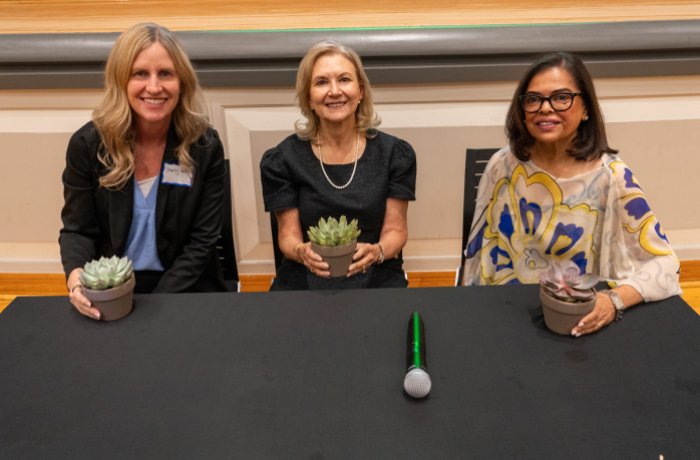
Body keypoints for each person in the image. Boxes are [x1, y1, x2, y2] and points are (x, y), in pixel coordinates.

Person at [461, 52, 681, 336]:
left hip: (580, 323)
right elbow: (476, 260)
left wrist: (613, 301)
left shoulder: (612, 177)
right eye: (533, 99)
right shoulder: (501, 166)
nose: (545, 108)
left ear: (586, 108)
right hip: (505, 317)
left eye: (561, 97)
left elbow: (665, 264)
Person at [59, 23, 228, 320]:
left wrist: (156, 309)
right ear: (121, 80)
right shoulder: (87, 146)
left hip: (187, 285)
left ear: (182, 82)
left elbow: (202, 242)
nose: (154, 87)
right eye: (140, 74)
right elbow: (78, 230)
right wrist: (77, 284)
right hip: (112, 289)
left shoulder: (204, 146)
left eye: (165, 73)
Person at [260, 40, 417, 290]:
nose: (334, 91)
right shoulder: (282, 159)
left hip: (375, 271)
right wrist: (301, 252)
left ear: (361, 91)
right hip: (307, 274)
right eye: (322, 82)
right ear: (309, 98)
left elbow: (396, 230)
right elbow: (287, 236)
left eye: (344, 79)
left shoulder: (395, 154)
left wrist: (378, 251)